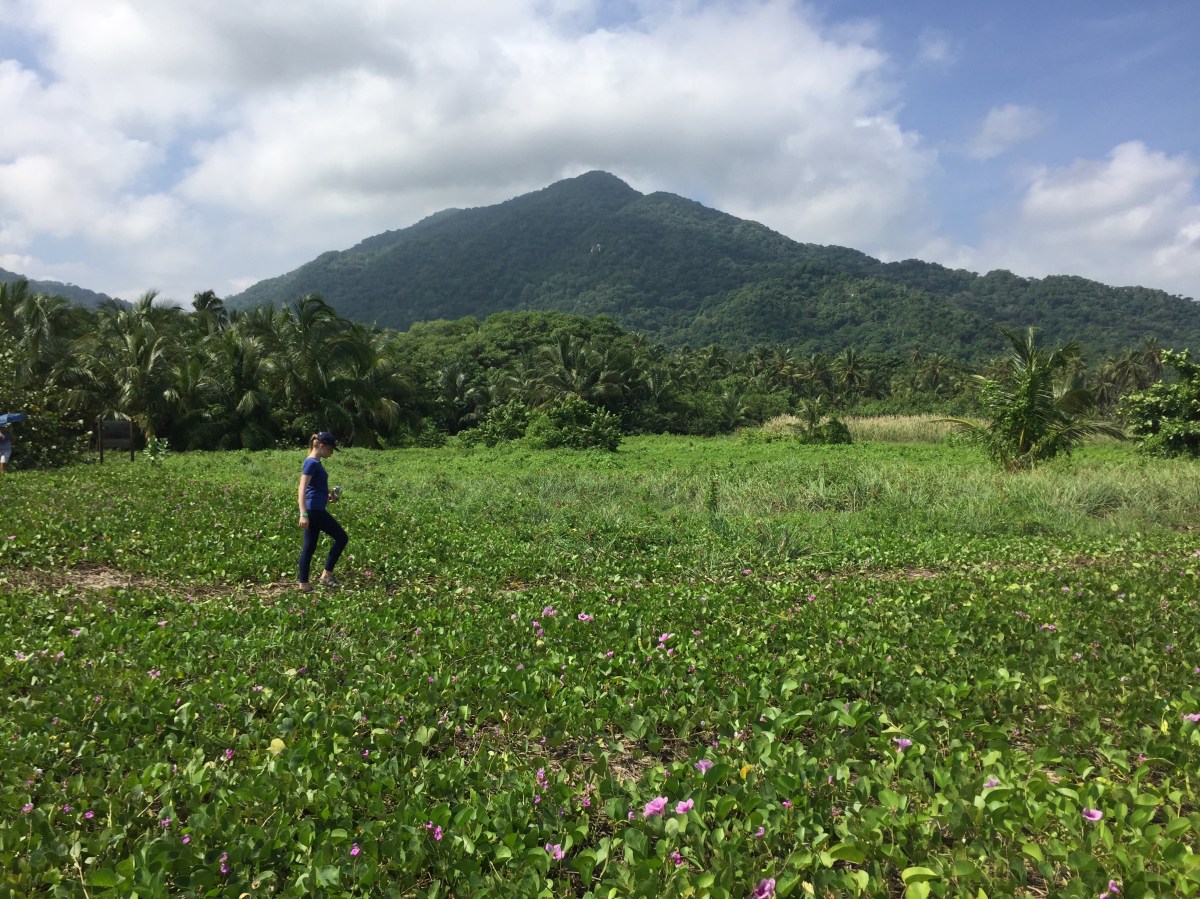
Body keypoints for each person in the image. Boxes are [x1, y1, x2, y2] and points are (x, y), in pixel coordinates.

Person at [296, 431, 348, 591]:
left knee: (310, 546)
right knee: (342, 538)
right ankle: (326, 575)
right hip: (314, 510)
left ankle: (304, 583)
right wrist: (303, 513)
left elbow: (314, 488)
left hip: (317, 507)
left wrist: (328, 496)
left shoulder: (316, 463)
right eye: (331, 449)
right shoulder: (311, 463)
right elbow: (302, 488)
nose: (331, 453)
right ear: (321, 446)